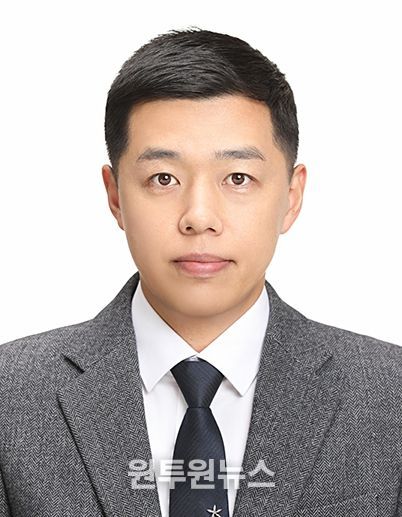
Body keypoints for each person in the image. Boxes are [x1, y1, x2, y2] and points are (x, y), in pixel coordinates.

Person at [0, 27, 401, 517]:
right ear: (116, 196)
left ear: (291, 197)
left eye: (238, 178)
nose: (199, 217)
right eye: (163, 178)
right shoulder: (11, 393)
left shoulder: (389, 394)